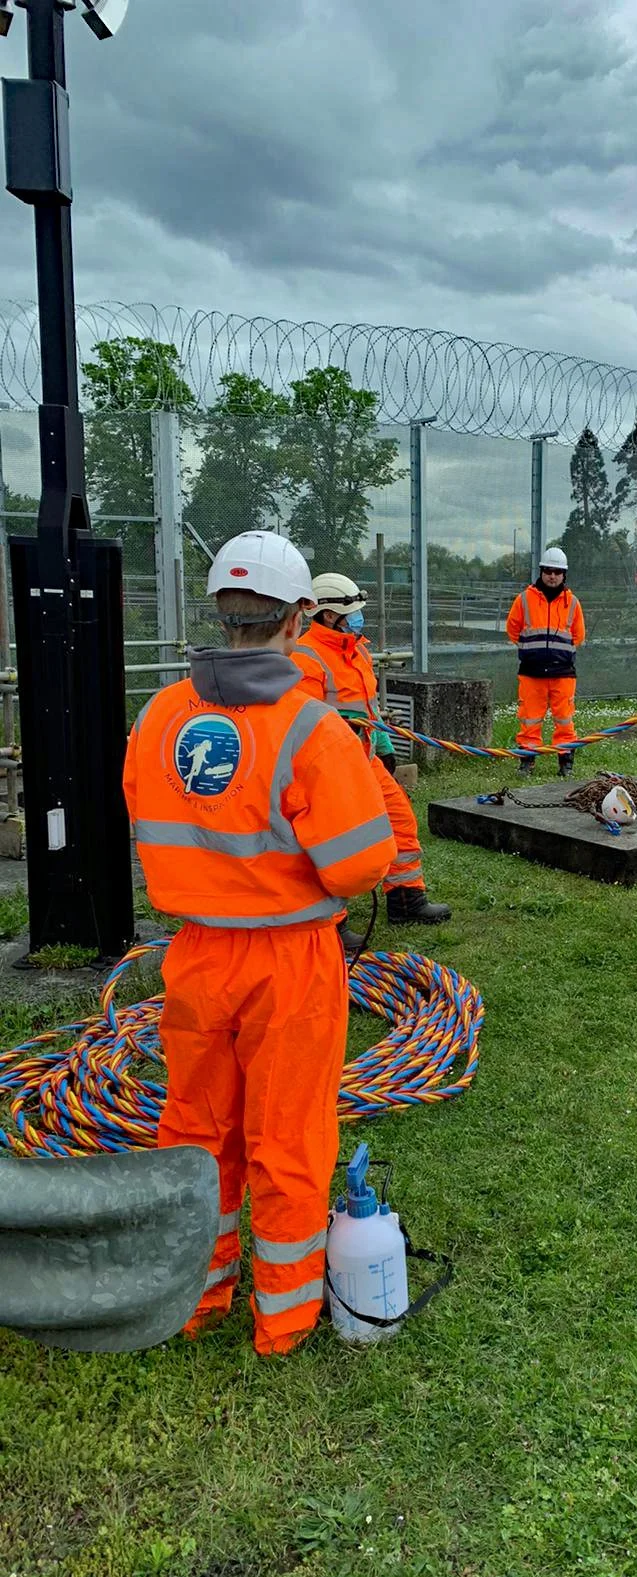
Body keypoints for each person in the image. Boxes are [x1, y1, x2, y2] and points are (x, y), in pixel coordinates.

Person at [123, 531, 396, 1356]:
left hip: (197, 956)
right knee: (288, 1138)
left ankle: (197, 1297)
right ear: (300, 617)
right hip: (289, 963)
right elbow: (357, 865)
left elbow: (147, 813)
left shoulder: (160, 715)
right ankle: (281, 1320)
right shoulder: (310, 730)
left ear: (220, 612)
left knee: (197, 1131)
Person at [293, 573, 451, 929]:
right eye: (354, 613)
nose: (360, 619)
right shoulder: (306, 658)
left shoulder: (357, 650)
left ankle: (407, 899)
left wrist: (382, 745)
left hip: (364, 757)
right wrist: (342, 729)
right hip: (331, 767)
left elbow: (369, 708)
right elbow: (303, 719)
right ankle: (331, 922)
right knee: (336, 840)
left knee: (399, 820)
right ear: (330, 615)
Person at [505, 546, 586, 778]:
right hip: (532, 672)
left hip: (563, 673)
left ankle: (566, 762)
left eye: (557, 572)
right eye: (548, 571)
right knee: (530, 719)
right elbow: (512, 629)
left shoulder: (572, 603)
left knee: (565, 720)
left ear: (564, 575)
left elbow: (579, 635)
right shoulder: (524, 599)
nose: (552, 575)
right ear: (541, 571)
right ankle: (527, 762)